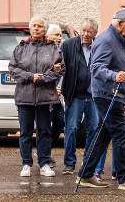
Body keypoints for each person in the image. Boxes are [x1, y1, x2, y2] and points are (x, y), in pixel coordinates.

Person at [76, 8, 125, 191]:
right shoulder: (106, 40)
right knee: (121, 134)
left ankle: (85, 175)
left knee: (103, 135)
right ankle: (124, 178)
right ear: (120, 23)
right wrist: (114, 76)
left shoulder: (119, 41)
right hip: (107, 95)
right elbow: (96, 68)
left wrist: (123, 100)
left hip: (114, 97)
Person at [8, 16, 65, 177]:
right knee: (25, 132)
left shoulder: (53, 48)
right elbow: (13, 68)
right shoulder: (21, 47)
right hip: (24, 97)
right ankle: (26, 163)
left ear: (45, 30)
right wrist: (30, 76)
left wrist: (41, 78)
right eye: (34, 26)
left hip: (45, 97)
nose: (37, 28)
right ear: (30, 28)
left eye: (40, 26)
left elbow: (59, 70)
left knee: (44, 132)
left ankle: (44, 163)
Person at [95, 44, 125, 180]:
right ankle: (97, 170)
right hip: (110, 97)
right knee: (103, 133)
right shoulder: (108, 47)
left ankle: (118, 170)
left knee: (122, 134)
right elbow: (99, 71)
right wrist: (115, 80)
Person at [61, 18, 100, 176]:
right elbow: (60, 65)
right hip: (74, 94)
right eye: (83, 30)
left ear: (95, 34)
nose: (85, 34)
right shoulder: (69, 45)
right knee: (71, 129)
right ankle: (69, 163)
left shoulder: (98, 46)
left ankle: (87, 162)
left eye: (89, 32)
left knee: (94, 129)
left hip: (93, 96)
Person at [46, 24, 65, 166]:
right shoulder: (43, 51)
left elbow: (64, 72)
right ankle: (44, 155)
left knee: (60, 121)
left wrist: (60, 87)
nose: (59, 38)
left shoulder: (61, 51)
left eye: (60, 35)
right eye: (56, 35)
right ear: (47, 36)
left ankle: (46, 149)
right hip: (45, 96)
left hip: (57, 97)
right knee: (45, 125)